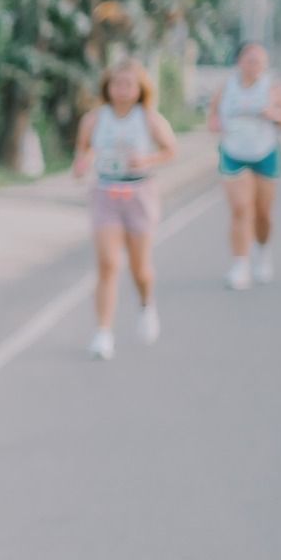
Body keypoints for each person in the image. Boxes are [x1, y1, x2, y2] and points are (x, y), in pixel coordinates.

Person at [73, 59, 179, 359]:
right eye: (117, 84)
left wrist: (145, 160)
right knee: (107, 264)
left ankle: (146, 305)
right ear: (107, 87)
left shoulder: (149, 119)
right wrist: (81, 164)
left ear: (139, 89)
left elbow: (171, 151)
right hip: (106, 193)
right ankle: (103, 333)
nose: (122, 90)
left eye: (128, 84)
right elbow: (82, 152)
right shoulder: (94, 120)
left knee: (139, 269)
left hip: (139, 194)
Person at [206, 41, 281, 290]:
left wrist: (275, 114)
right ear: (239, 62)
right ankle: (240, 265)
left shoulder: (274, 88)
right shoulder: (226, 87)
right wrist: (215, 125)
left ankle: (262, 251)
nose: (254, 65)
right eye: (250, 60)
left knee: (263, 214)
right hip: (233, 153)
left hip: (265, 153)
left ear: (265, 64)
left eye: (259, 60)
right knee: (240, 209)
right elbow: (212, 115)